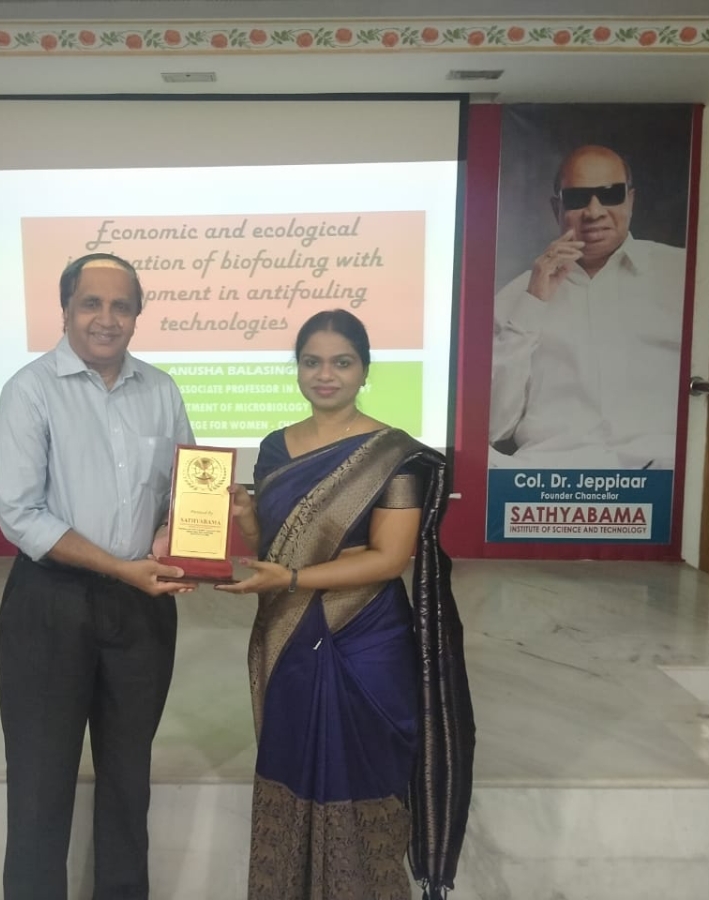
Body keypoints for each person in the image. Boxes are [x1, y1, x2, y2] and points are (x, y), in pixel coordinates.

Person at [215, 309, 475, 900]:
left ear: (364, 369)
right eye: (312, 362)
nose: (325, 375)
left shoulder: (393, 454)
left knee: (365, 768)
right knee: (290, 761)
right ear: (298, 368)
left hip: (365, 636)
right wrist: (248, 518)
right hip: (288, 634)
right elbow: (273, 546)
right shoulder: (275, 446)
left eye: (341, 362)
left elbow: (389, 557)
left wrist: (293, 577)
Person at [0, 252, 195, 900]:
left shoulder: (161, 391)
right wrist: (120, 567)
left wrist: (172, 534)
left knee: (129, 785)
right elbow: (21, 514)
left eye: (121, 306)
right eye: (91, 303)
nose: (106, 319)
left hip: (142, 611)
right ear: (65, 310)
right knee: (39, 787)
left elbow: (184, 493)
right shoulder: (30, 390)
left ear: (137, 315)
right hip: (51, 604)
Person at [489, 144, 686, 469]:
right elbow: (493, 427)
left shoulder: (682, 275)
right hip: (549, 478)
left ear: (631, 200)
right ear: (557, 208)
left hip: (660, 474)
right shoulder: (517, 296)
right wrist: (532, 304)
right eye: (578, 198)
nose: (594, 212)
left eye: (610, 194)